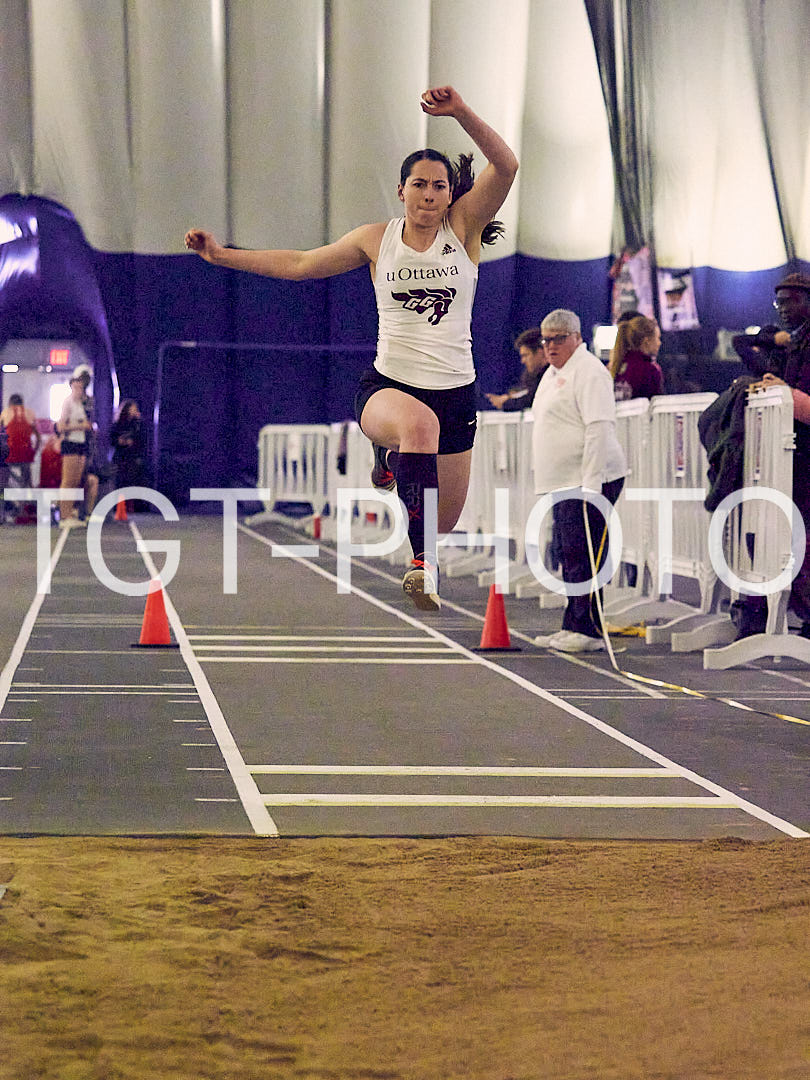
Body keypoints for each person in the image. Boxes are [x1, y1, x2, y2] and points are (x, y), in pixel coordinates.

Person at [185, 85, 518, 611]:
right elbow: (300, 265)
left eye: (439, 186)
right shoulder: (375, 239)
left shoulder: (463, 228)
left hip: (455, 390)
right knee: (419, 428)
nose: (429, 194)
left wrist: (460, 113)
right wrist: (223, 256)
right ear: (401, 191)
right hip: (391, 385)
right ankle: (422, 566)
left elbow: (506, 165)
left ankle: (392, 461)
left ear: (450, 194)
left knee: (443, 518)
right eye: (419, 184)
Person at [530, 310, 627, 653]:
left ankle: (588, 629)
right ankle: (573, 624)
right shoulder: (553, 373)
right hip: (563, 481)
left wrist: (591, 485)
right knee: (569, 551)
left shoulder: (589, 371)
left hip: (588, 480)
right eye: (546, 340)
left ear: (576, 337)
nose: (550, 346)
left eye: (558, 338)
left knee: (584, 553)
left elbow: (598, 428)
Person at [747, 272, 810, 637]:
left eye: (791, 301)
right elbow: (743, 343)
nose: (783, 308)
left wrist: (785, 393)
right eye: (779, 302)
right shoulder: (795, 342)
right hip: (793, 451)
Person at [56, 376, 92, 526]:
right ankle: (64, 515)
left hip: (80, 443)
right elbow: (61, 426)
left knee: (76, 480)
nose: (79, 390)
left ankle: (70, 512)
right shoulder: (68, 402)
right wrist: (80, 426)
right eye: (76, 387)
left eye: (81, 388)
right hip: (70, 443)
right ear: (71, 388)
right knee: (68, 480)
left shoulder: (81, 404)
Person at [485, 328, 547, 411]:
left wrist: (506, 403)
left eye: (526, 355)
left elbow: (531, 399)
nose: (523, 361)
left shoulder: (552, 374)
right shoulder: (531, 375)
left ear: (540, 352)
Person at [608, 315, 664, 400]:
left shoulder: (617, 366)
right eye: (658, 338)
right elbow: (656, 403)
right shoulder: (650, 370)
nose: (659, 343)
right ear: (647, 341)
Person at [0, 393, 41, 490]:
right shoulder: (30, 413)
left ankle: (4, 489)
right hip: (25, 455)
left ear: (10, 403)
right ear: (22, 403)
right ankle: (27, 488)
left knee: (4, 474)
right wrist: (34, 452)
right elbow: (38, 437)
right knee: (26, 477)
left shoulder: (5, 412)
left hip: (9, 455)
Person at [110, 399, 146, 505]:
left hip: (132, 457)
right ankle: (119, 504)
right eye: (132, 409)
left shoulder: (137, 424)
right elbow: (112, 439)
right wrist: (120, 441)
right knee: (120, 480)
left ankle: (131, 504)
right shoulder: (118, 424)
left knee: (132, 480)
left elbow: (142, 439)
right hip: (121, 456)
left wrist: (138, 422)